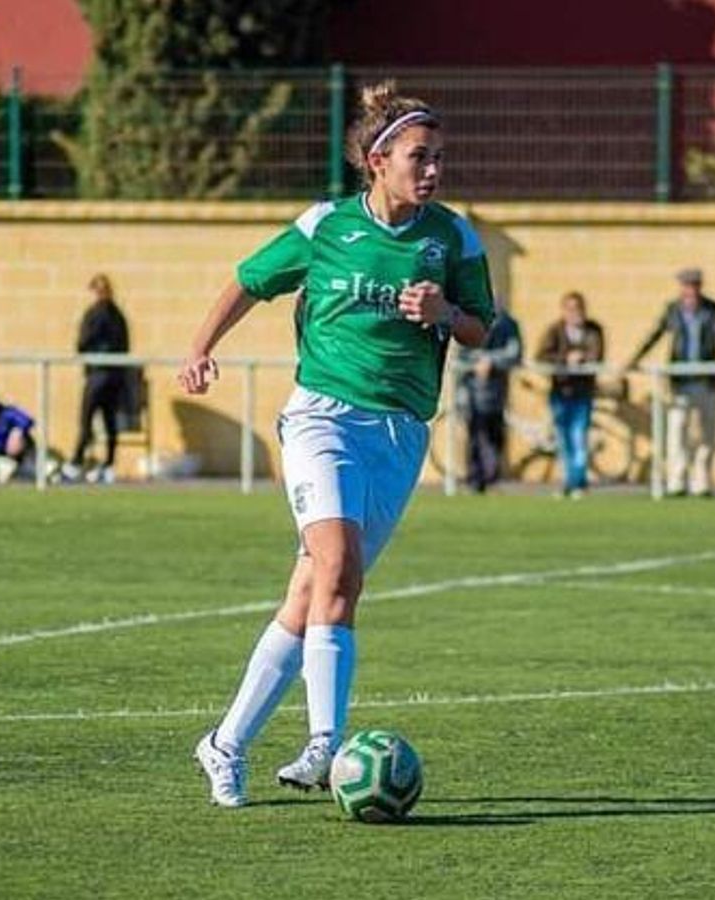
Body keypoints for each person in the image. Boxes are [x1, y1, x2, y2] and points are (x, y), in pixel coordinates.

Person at [179, 80, 496, 808]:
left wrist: (446, 310)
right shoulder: (326, 226)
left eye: (440, 157)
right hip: (324, 416)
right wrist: (199, 347)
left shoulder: (452, 238)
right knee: (339, 565)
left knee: (315, 592)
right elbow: (248, 283)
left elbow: (487, 327)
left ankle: (224, 744)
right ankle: (326, 743)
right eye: (420, 156)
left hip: (401, 432)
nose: (434, 170)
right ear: (378, 160)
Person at [626, 268, 715, 497]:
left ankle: (702, 482)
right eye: (687, 285)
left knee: (707, 433)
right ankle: (677, 481)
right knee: (677, 430)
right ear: (681, 288)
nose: (691, 290)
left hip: (707, 380)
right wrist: (635, 359)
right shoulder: (673, 310)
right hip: (680, 380)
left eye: (695, 285)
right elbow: (656, 334)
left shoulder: (712, 309)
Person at [535, 291, 605, 498]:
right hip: (560, 391)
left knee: (578, 437)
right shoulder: (555, 330)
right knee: (563, 439)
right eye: (570, 309)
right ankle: (569, 481)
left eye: (578, 308)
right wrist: (565, 358)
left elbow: (597, 354)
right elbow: (542, 355)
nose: (575, 313)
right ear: (564, 311)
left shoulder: (593, 331)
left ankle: (578, 483)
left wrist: (582, 358)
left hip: (583, 392)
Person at [65, 273, 131, 484]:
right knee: (109, 421)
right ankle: (108, 464)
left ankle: (76, 462)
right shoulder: (118, 315)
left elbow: (83, 342)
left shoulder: (94, 314)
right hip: (115, 375)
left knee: (87, 419)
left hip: (98, 374)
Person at [458, 311, 521, 491]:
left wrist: (491, 361)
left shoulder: (508, 323)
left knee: (494, 433)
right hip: (471, 389)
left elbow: (515, 353)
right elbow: (461, 353)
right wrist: (476, 362)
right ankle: (475, 478)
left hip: (497, 390)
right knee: (475, 434)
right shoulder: (467, 317)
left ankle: (491, 478)